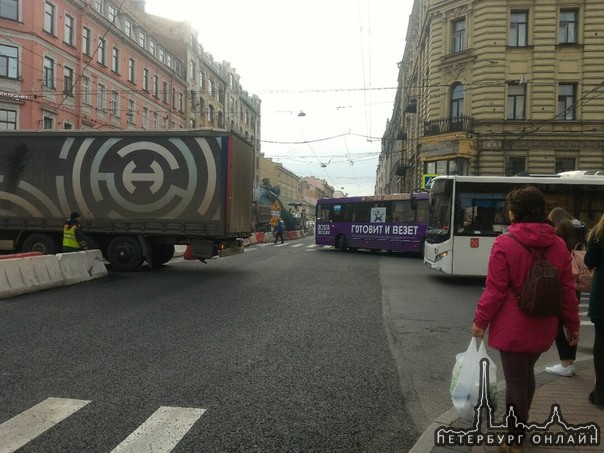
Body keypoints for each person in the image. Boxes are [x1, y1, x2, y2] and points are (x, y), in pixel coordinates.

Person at [472, 186, 580, 452]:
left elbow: (495, 290)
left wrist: (480, 321)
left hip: (513, 326)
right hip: (544, 324)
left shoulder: (505, 243)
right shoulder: (558, 244)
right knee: (526, 374)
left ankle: (514, 438)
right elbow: (567, 289)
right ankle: (520, 425)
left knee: (516, 381)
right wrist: (573, 325)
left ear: (515, 212)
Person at [545, 207, 585, 377]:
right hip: (576, 281)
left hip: (563, 279)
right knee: (571, 321)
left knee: (557, 323)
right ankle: (570, 361)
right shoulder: (580, 229)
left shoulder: (558, 232)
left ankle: (566, 363)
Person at [584, 213, 604, 407]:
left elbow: (589, 261)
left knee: (601, 343)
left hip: (602, 297)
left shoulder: (598, 235)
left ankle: (601, 393)